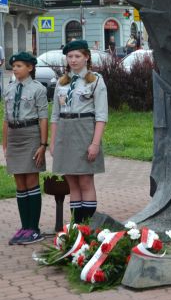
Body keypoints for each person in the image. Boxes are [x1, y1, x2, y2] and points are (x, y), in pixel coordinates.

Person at [50, 40, 108, 223]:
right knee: (72, 183)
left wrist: (95, 143)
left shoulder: (96, 81)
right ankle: (77, 227)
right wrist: (53, 142)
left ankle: (88, 227)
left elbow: (101, 116)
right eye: (70, 56)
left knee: (85, 181)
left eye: (77, 56)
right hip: (65, 133)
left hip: (85, 131)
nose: (73, 60)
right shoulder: (61, 82)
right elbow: (55, 115)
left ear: (86, 57)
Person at [3, 52, 48, 245]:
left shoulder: (38, 89)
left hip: (31, 135)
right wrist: (5, 143)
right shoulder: (9, 88)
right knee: (19, 183)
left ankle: (34, 228)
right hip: (14, 136)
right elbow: (6, 118)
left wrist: (43, 144)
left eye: (19, 66)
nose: (15, 69)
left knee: (31, 180)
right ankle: (24, 227)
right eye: (14, 66)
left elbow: (43, 117)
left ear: (30, 68)